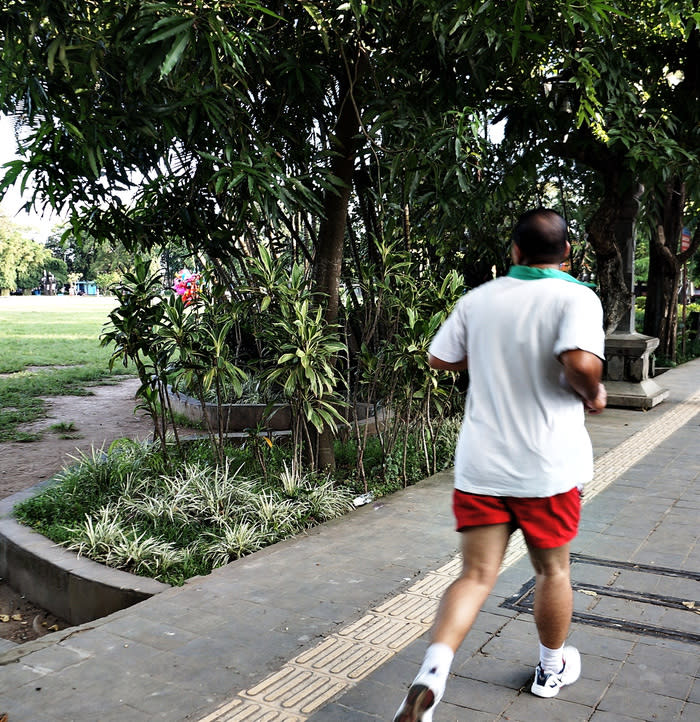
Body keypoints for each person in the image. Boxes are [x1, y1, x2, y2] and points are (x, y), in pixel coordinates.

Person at [394, 208, 607, 721]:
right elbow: (579, 362)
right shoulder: (577, 296)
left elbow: (439, 357)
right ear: (568, 253)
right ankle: (551, 669)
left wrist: (491, 352)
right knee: (552, 571)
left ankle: (432, 672)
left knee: (474, 575)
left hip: (483, 466)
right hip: (546, 469)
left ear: (514, 251)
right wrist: (594, 392)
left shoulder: (480, 299)